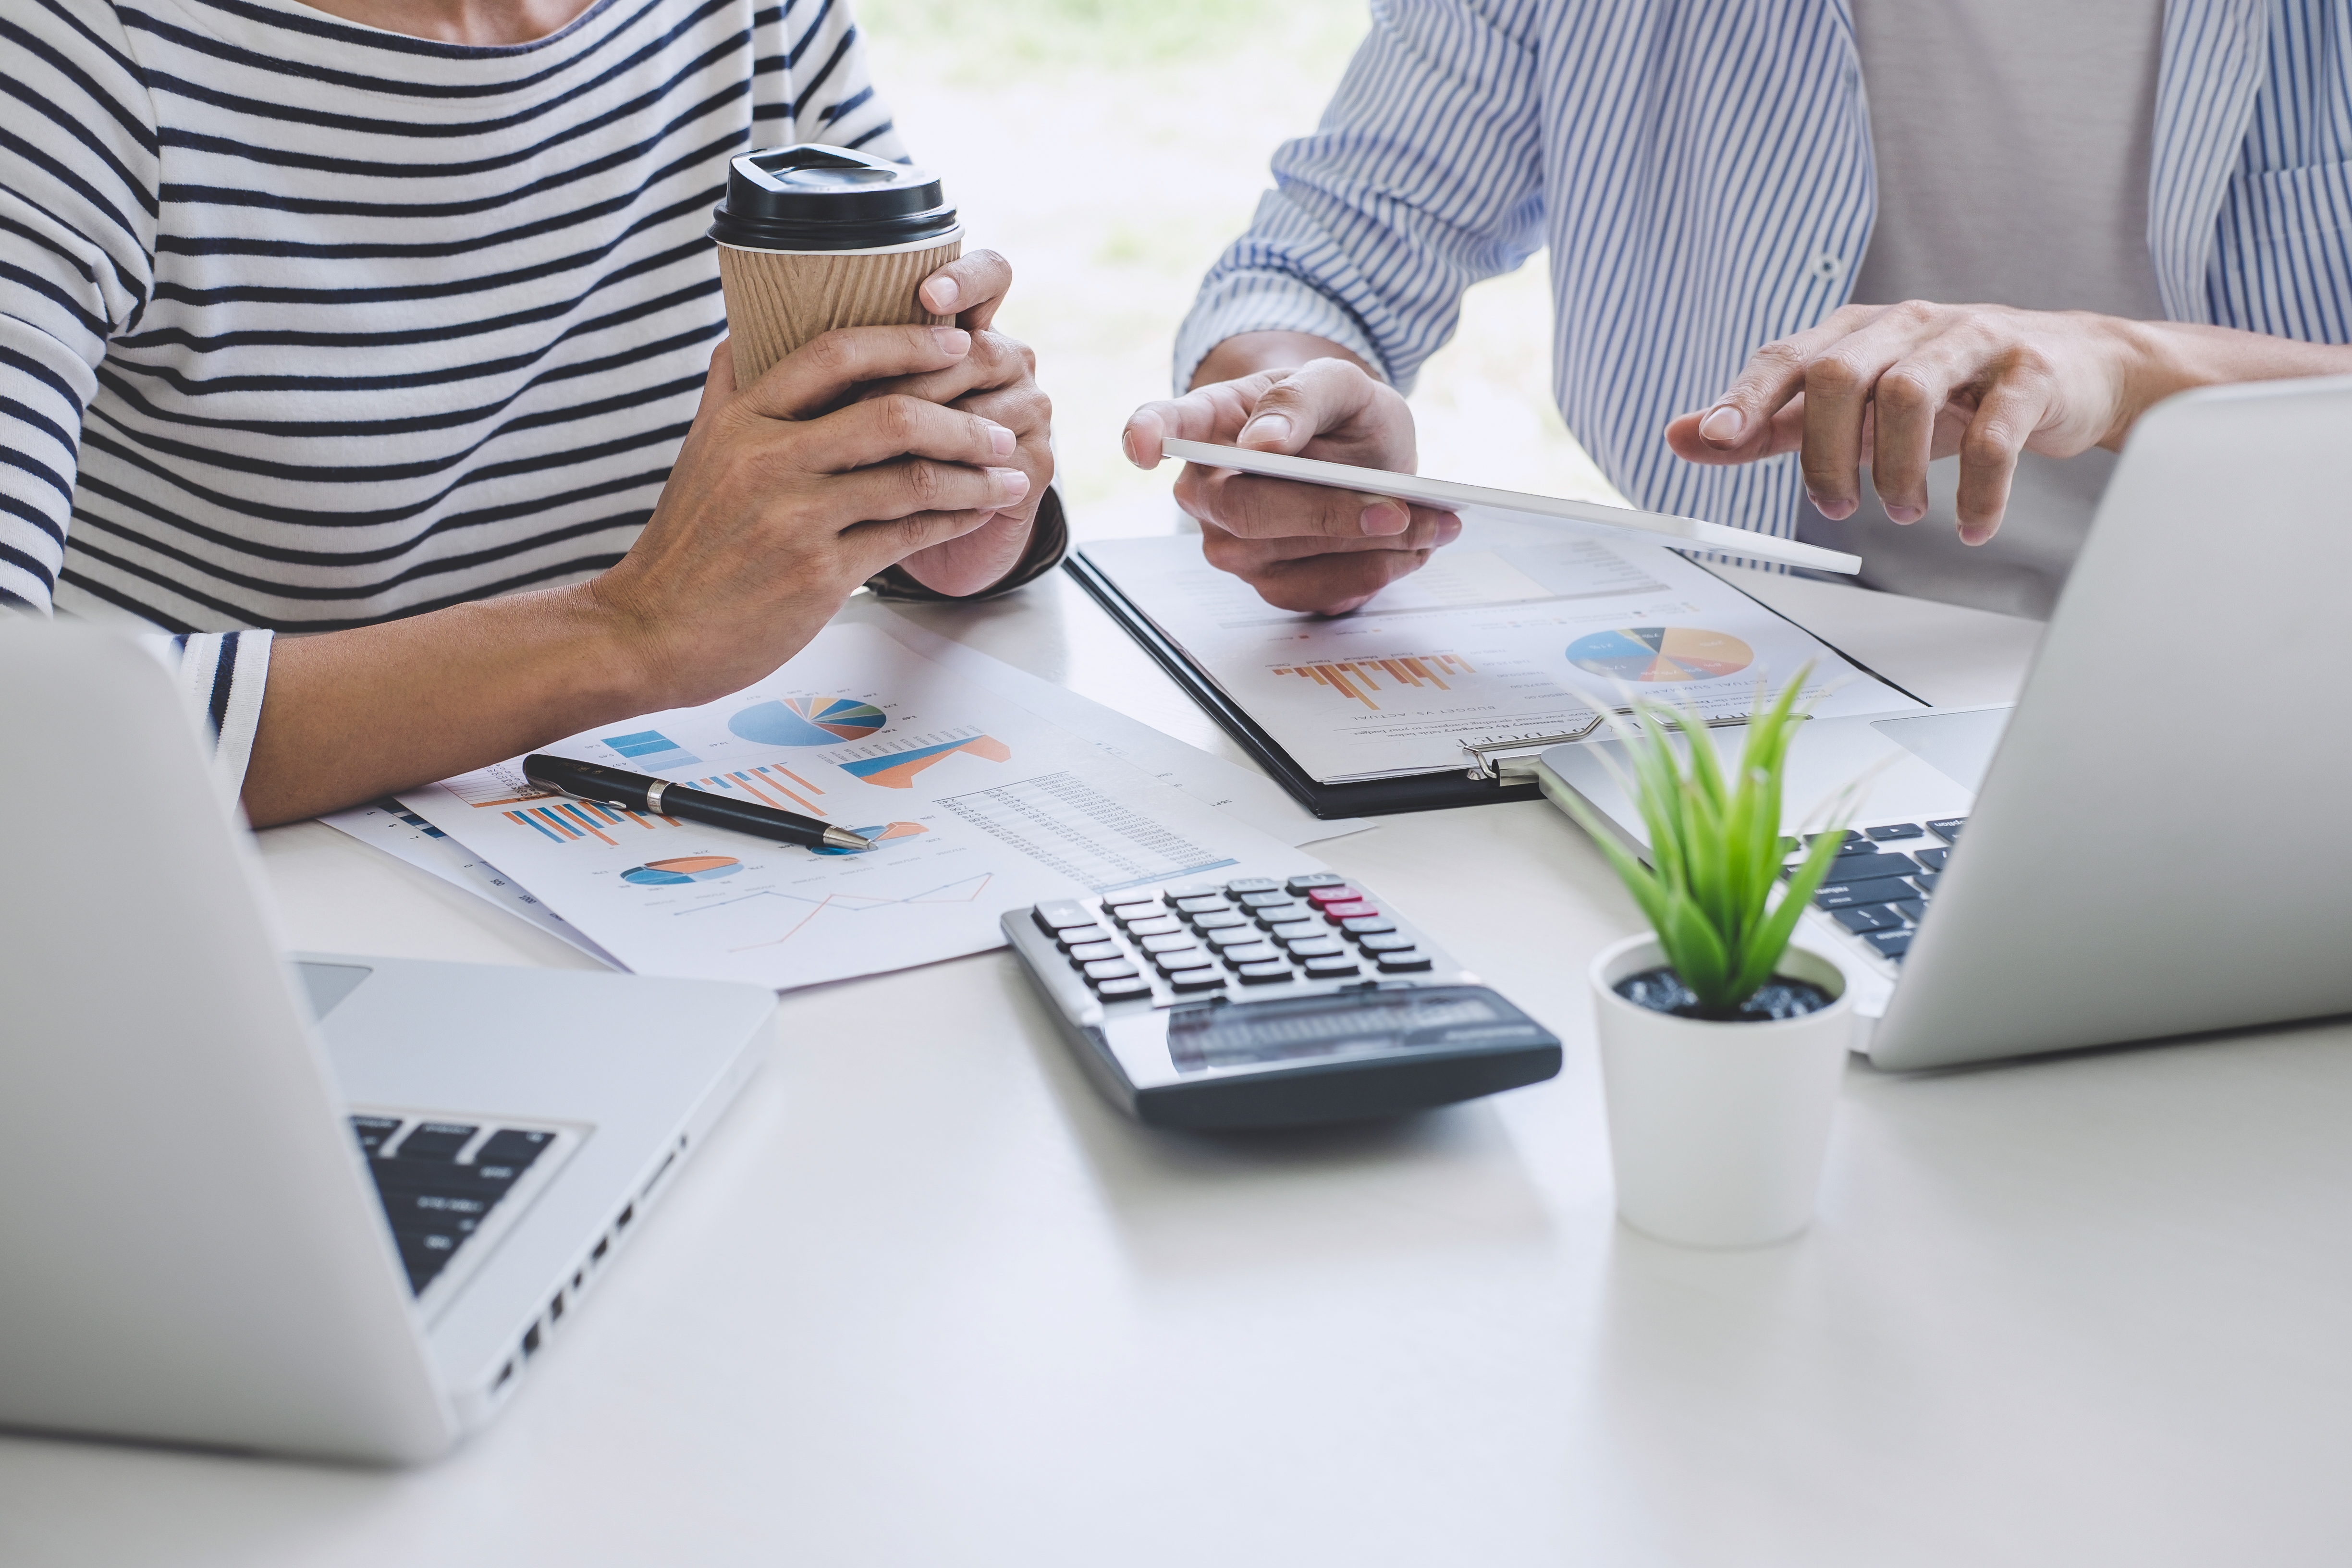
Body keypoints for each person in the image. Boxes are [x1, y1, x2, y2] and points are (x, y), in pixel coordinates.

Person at [0, 0, 1056, 824]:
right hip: (235, 905)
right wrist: (629, 635)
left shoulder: (749, 19)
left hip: (631, 833)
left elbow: (847, 426)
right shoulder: (68, 55)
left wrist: (945, 508)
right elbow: (22, 734)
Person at [1124, 1, 2352, 621]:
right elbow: (1326, 252)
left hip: (2278, 683)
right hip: (1749, 682)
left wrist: (2129, 370)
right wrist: (1296, 418)